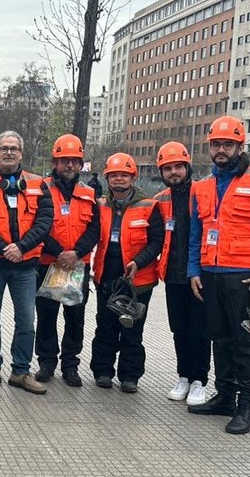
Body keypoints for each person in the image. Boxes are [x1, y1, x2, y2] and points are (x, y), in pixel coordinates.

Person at [188, 115, 250, 435]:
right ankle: (226, 396)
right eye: (216, 144)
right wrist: (193, 270)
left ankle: (247, 405)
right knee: (220, 338)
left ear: (239, 146)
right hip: (211, 274)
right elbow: (195, 233)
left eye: (227, 144)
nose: (221, 149)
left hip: (245, 278)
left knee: (245, 342)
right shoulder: (201, 187)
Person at [0, 131, 54, 394]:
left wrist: (22, 247)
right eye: (4, 148)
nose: (8, 152)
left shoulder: (38, 184)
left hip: (26, 266)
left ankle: (21, 371)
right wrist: (6, 249)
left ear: (21, 153)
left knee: (26, 320)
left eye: (13, 149)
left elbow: (44, 221)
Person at [90, 152, 164, 394]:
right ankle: (103, 371)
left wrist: (138, 262)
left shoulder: (149, 207)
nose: (119, 179)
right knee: (105, 326)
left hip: (138, 281)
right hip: (107, 276)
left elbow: (156, 241)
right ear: (107, 178)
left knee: (132, 329)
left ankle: (130, 376)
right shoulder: (100, 206)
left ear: (133, 177)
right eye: (114, 175)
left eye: (124, 174)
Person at [34, 134, 99, 388]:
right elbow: (37, 225)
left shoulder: (90, 192)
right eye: (64, 161)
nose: (69, 165)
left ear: (81, 164)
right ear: (54, 162)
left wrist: (76, 253)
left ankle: (70, 365)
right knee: (47, 316)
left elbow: (95, 229)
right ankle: (47, 362)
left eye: (74, 161)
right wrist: (59, 252)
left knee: (75, 317)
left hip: (78, 267)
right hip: (49, 263)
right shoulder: (41, 189)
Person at [153, 142, 210, 405]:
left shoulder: (203, 192)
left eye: (178, 167)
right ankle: (184, 376)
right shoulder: (161, 199)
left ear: (187, 166)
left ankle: (200, 380)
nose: (174, 172)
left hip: (199, 275)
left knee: (200, 329)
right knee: (179, 329)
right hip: (173, 274)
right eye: (168, 168)